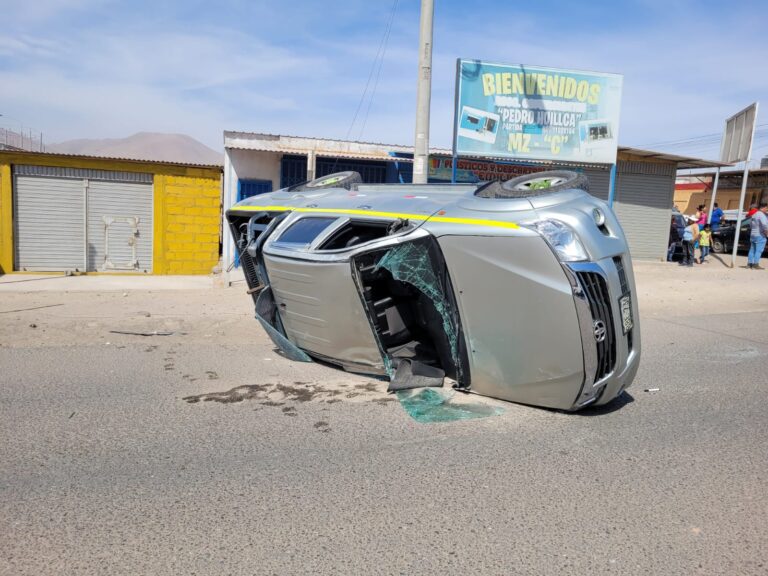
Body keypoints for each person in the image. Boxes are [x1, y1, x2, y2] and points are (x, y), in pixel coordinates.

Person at [747, 203, 768, 270]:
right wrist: (766, 232)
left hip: (753, 234)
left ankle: (749, 264)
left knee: (752, 249)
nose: (767, 210)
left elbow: (750, 224)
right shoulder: (761, 215)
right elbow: (765, 224)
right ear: (763, 208)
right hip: (760, 235)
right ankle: (756, 264)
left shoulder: (754, 214)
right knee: (759, 250)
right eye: (766, 208)